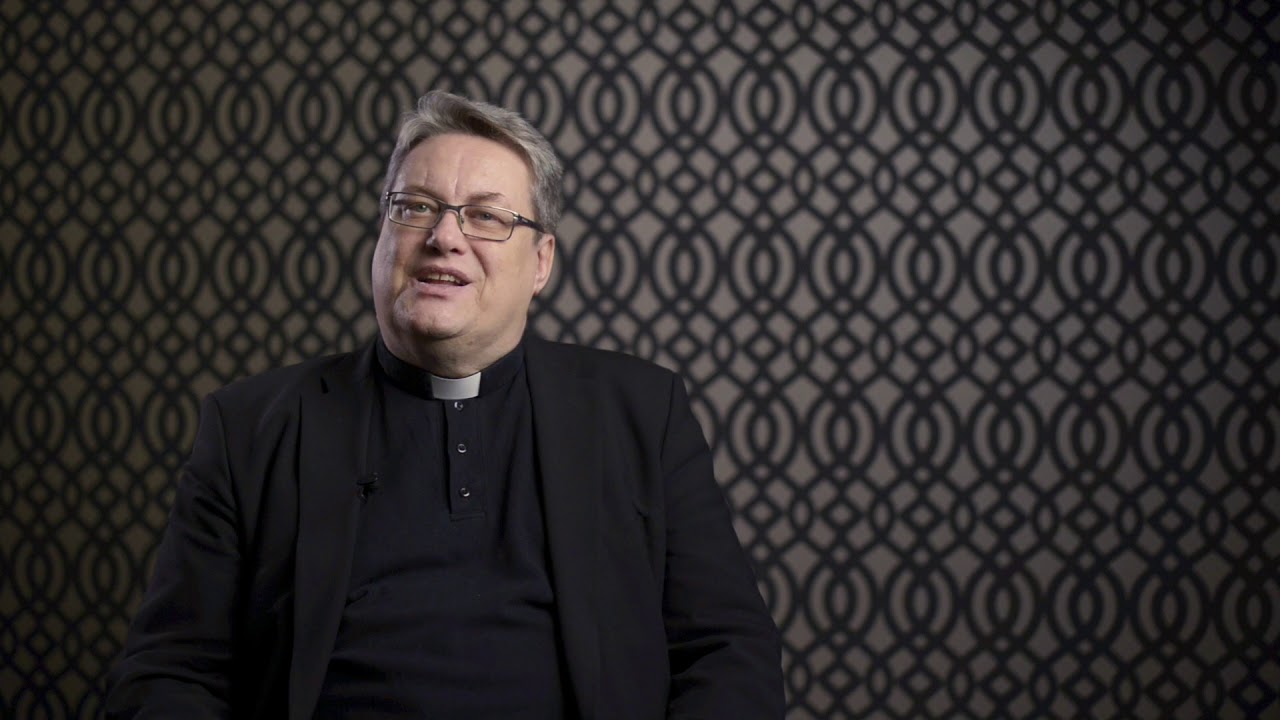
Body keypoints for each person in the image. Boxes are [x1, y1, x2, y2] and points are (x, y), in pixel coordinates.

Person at [106, 90, 784, 719]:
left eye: (486, 216)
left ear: (541, 261)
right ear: (383, 234)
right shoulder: (250, 428)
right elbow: (168, 673)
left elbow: (729, 652)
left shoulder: (642, 413)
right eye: (416, 207)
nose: (445, 237)